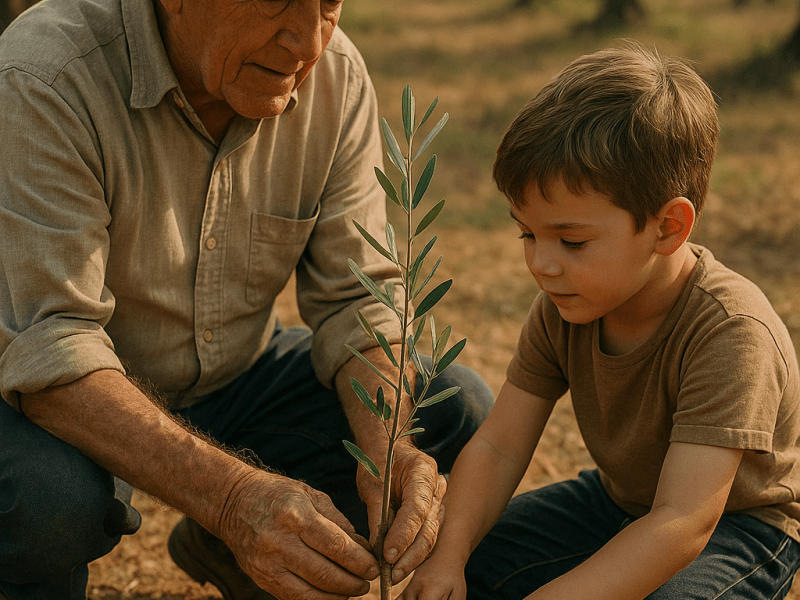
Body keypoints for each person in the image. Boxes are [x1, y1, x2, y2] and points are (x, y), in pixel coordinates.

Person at [0, 0, 494, 599]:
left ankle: (225, 551)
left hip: (236, 377)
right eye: (279, 2)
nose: (308, 41)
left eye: (329, 5)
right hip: (60, 397)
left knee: (451, 408)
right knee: (49, 503)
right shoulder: (45, 75)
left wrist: (388, 450)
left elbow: (357, 299)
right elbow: (54, 349)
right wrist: (234, 500)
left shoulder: (336, 76)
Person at [400, 42, 800, 600]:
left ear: (667, 228)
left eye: (572, 240)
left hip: (737, 528)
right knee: (478, 562)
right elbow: (499, 447)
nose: (542, 263)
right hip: (617, 503)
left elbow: (684, 521)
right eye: (527, 234)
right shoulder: (564, 309)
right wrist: (449, 555)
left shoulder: (732, 332)